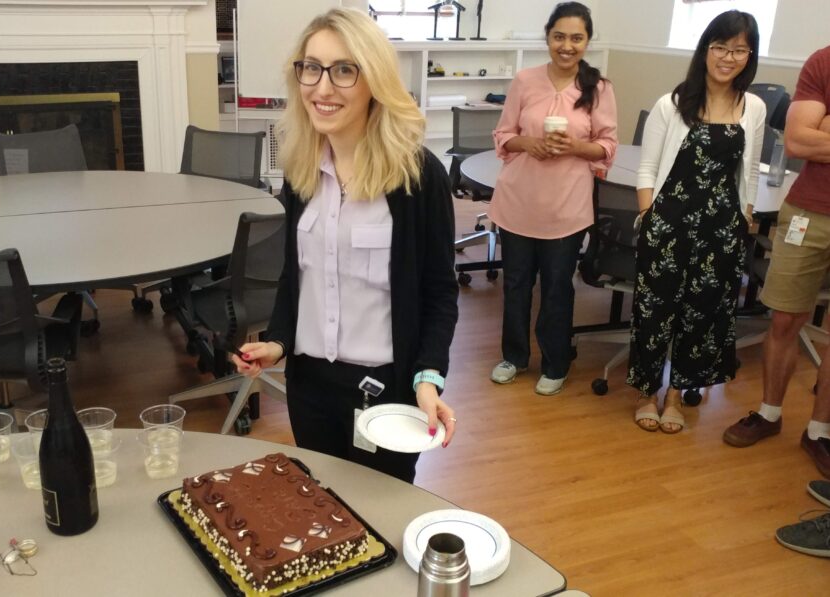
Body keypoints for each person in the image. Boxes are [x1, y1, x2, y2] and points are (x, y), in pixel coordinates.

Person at [230, 8, 459, 484]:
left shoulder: (418, 176)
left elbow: (439, 292)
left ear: (374, 79)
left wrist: (429, 377)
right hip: (310, 385)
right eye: (311, 67)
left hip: (386, 391)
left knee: (384, 510)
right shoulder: (301, 169)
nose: (322, 87)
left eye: (344, 70)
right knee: (325, 503)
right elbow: (299, 276)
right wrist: (277, 341)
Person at [629, 10, 765, 434]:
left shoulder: (754, 107)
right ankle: (647, 393)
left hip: (721, 231)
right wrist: (648, 214)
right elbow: (647, 167)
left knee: (702, 315)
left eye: (739, 49)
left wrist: (746, 214)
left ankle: (676, 396)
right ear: (705, 49)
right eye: (721, 46)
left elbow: (751, 169)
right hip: (668, 225)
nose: (728, 57)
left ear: (749, 55)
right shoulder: (672, 103)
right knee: (655, 311)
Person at [488, 1, 617, 396]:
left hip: (566, 208)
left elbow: (607, 146)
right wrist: (530, 143)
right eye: (559, 36)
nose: (567, 45)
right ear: (547, 37)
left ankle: (556, 361)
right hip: (518, 203)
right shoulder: (525, 81)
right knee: (516, 285)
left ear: (587, 42)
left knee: (558, 286)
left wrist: (575, 147)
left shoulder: (599, 88)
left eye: (576, 38)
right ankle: (513, 356)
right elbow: (503, 135)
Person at [721, 43, 830, 478]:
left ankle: (820, 430)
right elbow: (800, 139)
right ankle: (768, 414)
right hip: (808, 212)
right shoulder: (823, 61)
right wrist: (815, 131)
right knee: (785, 320)